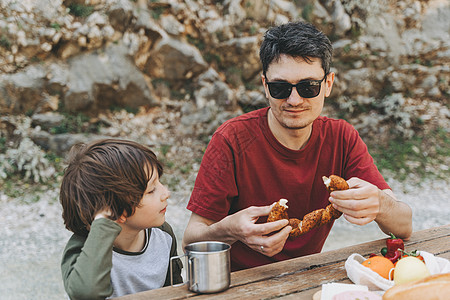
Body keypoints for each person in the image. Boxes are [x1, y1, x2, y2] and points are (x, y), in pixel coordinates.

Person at [182, 21, 412, 271]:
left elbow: (404, 226)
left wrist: (380, 203)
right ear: (265, 86)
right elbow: (190, 240)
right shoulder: (231, 140)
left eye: (308, 87)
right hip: (239, 283)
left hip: (307, 277)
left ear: (328, 84)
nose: (294, 100)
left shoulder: (341, 138)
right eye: (280, 88)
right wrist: (229, 230)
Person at [59, 139, 183, 299]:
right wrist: (103, 225)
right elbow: (86, 294)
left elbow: (174, 291)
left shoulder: (163, 235)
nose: (166, 193)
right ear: (114, 206)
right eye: (151, 190)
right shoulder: (84, 249)